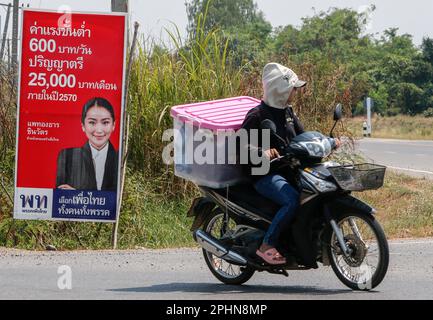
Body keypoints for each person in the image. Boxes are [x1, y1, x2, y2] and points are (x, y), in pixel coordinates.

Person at [241, 63, 340, 265]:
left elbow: (303, 137)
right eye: (293, 88)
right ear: (281, 89)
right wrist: (262, 152)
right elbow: (241, 148)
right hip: (265, 174)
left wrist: (327, 142)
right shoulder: (257, 115)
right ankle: (266, 245)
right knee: (292, 200)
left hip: (291, 169)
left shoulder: (287, 112)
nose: (296, 92)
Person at [56, 97, 119, 191]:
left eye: (105, 122)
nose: (99, 130)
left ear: (113, 125)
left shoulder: (120, 158)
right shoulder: (67, 156)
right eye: (92, 122)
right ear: (83, 126)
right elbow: (60, 196)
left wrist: (76, 193)